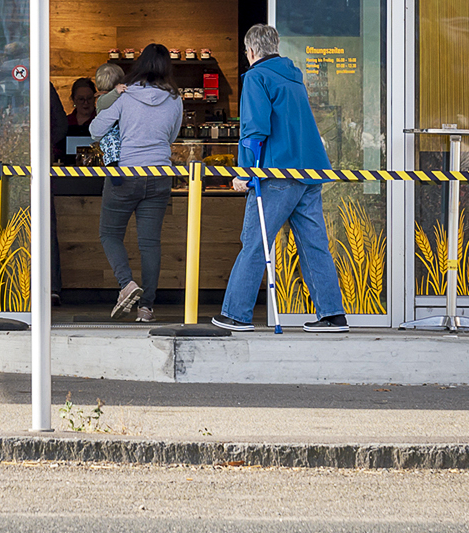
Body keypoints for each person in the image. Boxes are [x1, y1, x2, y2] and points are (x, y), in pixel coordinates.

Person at [215, 24, 347, 333]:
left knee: (254, 243)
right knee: (315, 245)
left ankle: (236, 315)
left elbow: (254, 129)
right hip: (309, 172)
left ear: (251, 51)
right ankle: (332, 315)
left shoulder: (256, 77)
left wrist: (245, 173)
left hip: (276, 174)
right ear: (275, 46)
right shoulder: (293, 77)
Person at [92, 43, 184, 319]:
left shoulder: (127, 96)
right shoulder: (175, 99)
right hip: (159, 175)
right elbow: (172, 137)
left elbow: (96, 130)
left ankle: (126, 284)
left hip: (125, 174)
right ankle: (146, 308)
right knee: (150, 243)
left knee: (109, 233)